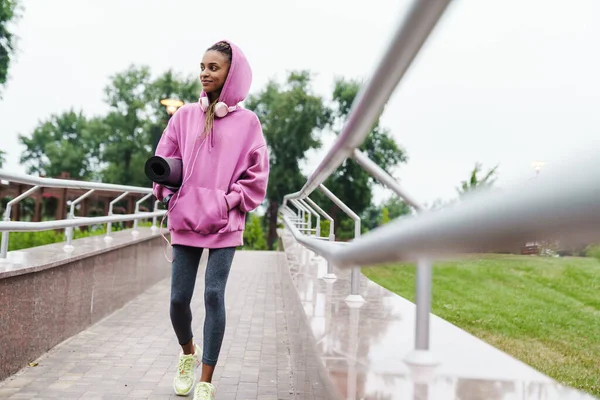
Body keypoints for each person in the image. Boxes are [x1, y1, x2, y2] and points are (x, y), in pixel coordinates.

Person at [153, 40, 269, 400]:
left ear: (230, 75)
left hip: (225, 224)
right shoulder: (184, 116)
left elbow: (257, 175)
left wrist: (229, 202)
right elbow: (163, 161)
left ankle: (206, 379)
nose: (204, 72)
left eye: (213, 67)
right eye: (202, 66)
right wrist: (169, 195)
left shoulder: (248, 123)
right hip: (185, 221)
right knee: (177, 300)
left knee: (214, 295)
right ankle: (188, 354)